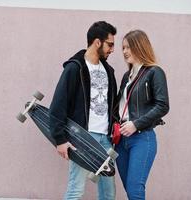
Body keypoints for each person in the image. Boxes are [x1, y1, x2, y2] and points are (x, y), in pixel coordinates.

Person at [49, 21, 117, 200]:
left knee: (108, 194)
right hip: (83, 138)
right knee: (76, 190)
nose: (112, 49)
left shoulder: (109, 71)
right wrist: (60, 139)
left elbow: (113, 106)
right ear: (97, 42)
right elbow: (58, 105)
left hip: (105, 140)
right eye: (110, 44)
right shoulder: (75, 68)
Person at [115, 29, 170, 200]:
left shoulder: (154, 72)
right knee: (129, 190)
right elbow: (120, 106)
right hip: (121, 140)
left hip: (142, 138)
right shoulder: (127, 76)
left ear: (140, 46)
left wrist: (136, 124)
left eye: (128, 47)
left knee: (135, 190)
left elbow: (163, 105)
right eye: (123, 48)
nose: (124, 52)